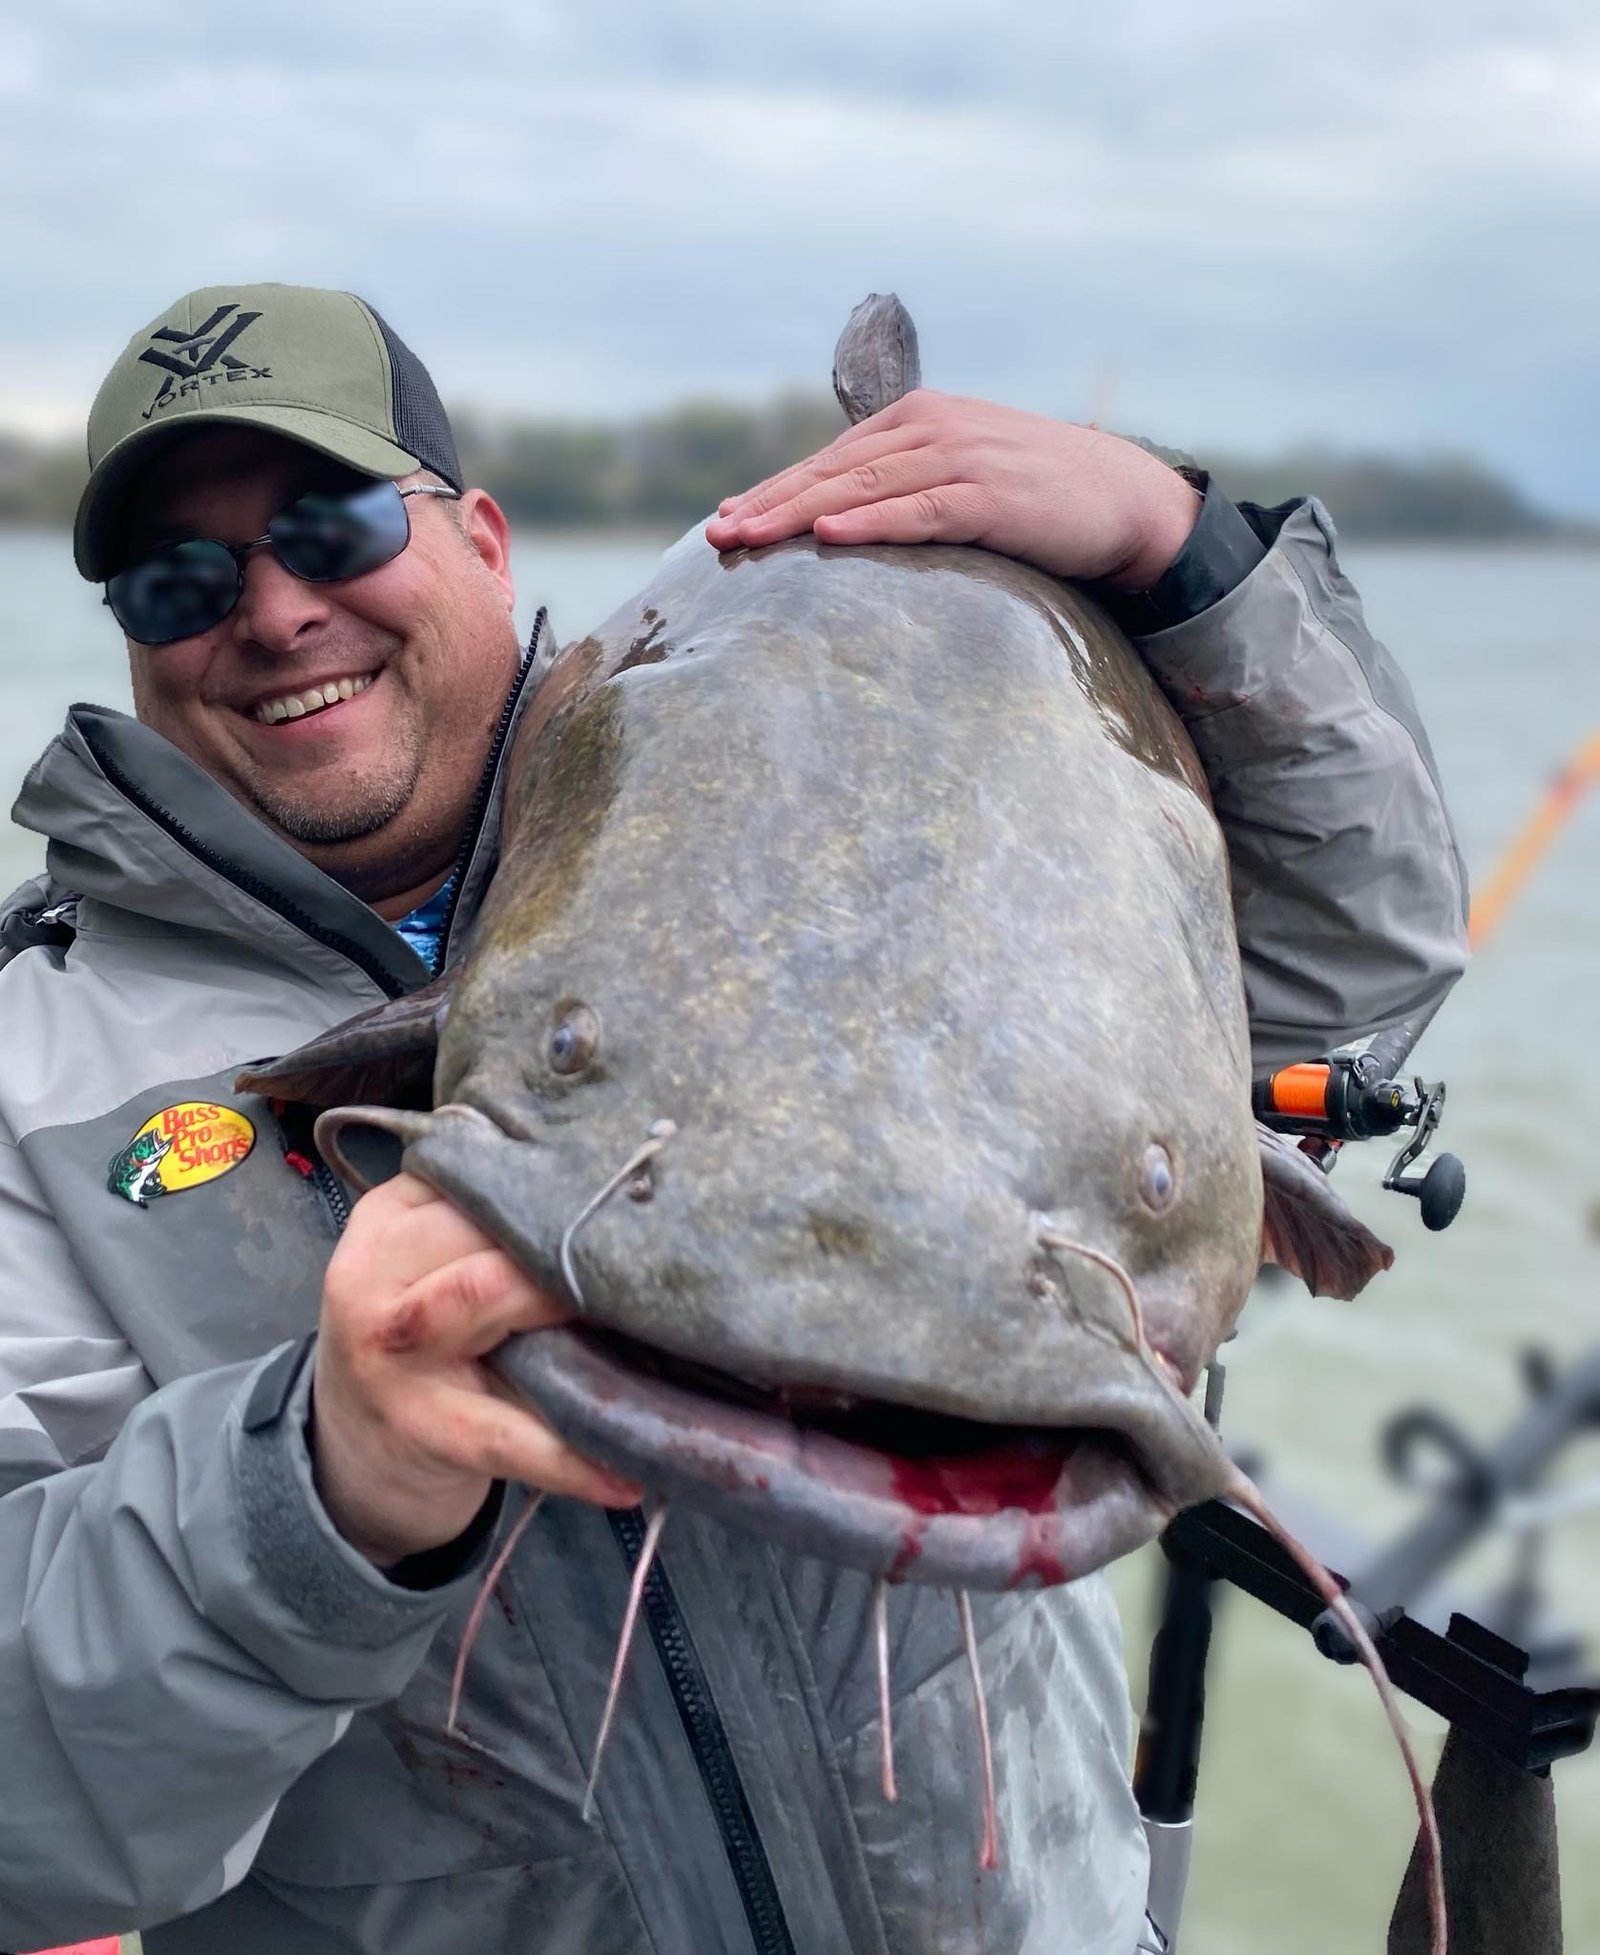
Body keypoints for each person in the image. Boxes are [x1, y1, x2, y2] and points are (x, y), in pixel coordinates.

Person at [0, 282, 1468, 1955]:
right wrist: (317, 1494)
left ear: (480, 537)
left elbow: (1356, 973)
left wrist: (1181, 556)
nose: (272, 612)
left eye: (331, 524)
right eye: (183, 576)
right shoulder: (27, 1083)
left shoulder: (891, 787)